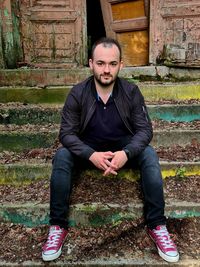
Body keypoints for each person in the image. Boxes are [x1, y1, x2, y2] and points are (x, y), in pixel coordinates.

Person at [42, 37, 179, 263]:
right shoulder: (77, 93)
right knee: (62, 155)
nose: (106, 70)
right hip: (88, 152)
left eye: (112, 64)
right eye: (101, 63)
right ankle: (57, 227)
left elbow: (145, 131)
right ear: (91, 64)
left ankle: (158, 226)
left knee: (149, 154)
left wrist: (126, 153)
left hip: (123, 152)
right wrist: (90, 154)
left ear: (120, 65)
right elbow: (66, 133)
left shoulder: (131, 92)